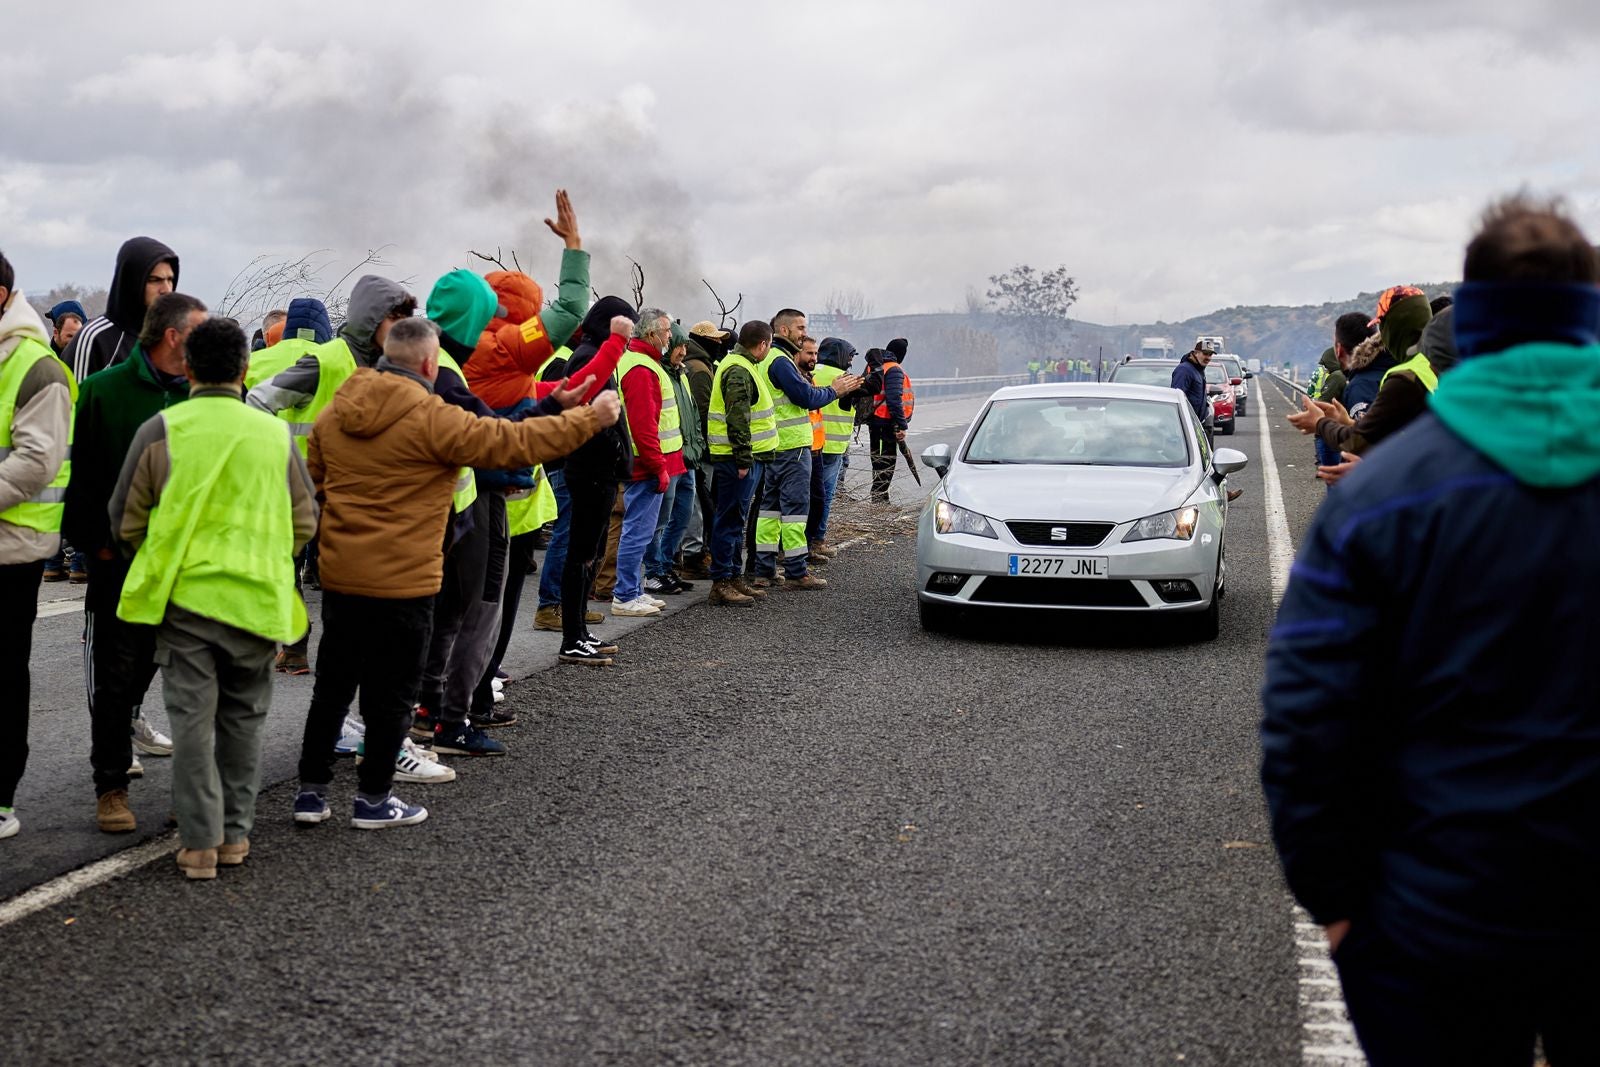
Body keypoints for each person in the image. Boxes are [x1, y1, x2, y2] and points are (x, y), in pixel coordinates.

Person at [1261, 195, 1600, 1066]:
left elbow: (1306, 716)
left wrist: (1338, 905)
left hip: (1431, 917)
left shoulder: (1381, 496)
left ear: (1471, 319)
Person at [293, 316, 617, 829]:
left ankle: (310, 795)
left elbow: (314, 484)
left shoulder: (338, 412)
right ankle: (373, 800)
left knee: (333, 685)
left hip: (343, 572)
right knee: (391, 691)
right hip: (406, 578)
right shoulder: (431, 417)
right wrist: (587, 419)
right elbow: (511, 443)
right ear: (427, 362)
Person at [109, 318, 316, 878]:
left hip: (185, 603)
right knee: (244, 720)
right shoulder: (272, 436)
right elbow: (304, 521)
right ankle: (235, 837)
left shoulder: (162, 430)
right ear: (245, 370)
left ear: (188, 369)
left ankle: (198, 844)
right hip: (255, 601)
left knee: (192, 722)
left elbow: (125, 520)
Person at [62, 291, 205, 832]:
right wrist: (95, 543)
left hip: (188, 570)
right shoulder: (103, 391)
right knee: (115, 679)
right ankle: (111, 788)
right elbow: (80, 477)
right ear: (173, 336)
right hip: (120, 564)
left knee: (190, 682)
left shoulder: (203, 397)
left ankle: (191, 796)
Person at [0, 252, 75, 840]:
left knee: (3, 673)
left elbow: (34, 463)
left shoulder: (36, 367)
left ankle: (1, 796)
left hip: (13, 549)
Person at [554, 298, 638, 663]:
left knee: (590, 553)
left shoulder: (595, 354)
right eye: (626, 329)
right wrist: (618, 451)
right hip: (590, 470)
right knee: (582, 555)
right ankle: (572, 637)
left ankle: (580, 632)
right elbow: (590, 416)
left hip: (597, 470)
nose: (629, 339)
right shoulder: (589, 356)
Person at [611, 309, 685, 615]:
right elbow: (643, 426)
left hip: (652, 462)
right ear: (651, 333)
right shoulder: (642, 369)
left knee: (641, 529)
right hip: (648, 465)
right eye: (666, 331)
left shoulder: (644, 363)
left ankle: (634, 589)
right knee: (638, 530)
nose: (670, 336)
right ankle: (625, 594)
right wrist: (658, 467)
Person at [706, 319, 780, 606]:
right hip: (737, 460)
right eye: (769, 344)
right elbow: (738, 418)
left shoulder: (740, 364)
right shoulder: (738, 369)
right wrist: (743, 458)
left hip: (744, 458)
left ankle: (734, 577)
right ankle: (722, 582)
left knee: (736, 521)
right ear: (762, 344)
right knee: (729, 520)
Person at [61, 236, 178, 382]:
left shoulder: (172, 338)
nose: (166, 289)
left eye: (170, 280)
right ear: (132, 282)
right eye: (155, 280)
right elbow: (74, 402)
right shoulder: (94, 339)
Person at [644, 323, 705, 595]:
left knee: (681, 516)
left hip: (686, 458)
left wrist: (698, 446)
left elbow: (691, 415)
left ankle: (665, 565)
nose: (682, 351)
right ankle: (654, 571)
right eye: (679, 345)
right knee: (660, 520)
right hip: (669, 458)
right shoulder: (662, 375)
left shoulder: (682, 375)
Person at [676, 322, 725, 579]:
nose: (719, 345)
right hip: (700, 449)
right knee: (696, 503)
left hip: (696, 447)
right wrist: (707, 447)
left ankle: (689, 553)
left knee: (695, 502)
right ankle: (692, 557)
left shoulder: (696, 364)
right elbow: (703, 414)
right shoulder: (700, 370)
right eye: (715, 341)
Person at [808, 337, 858, 560]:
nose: (850, 362)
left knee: (802, 497)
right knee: (824, 497)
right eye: (849, 356)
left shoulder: (809, 373)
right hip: (833, 447)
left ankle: (797, 543)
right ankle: (817, 540)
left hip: (808, 443)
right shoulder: (846, 379)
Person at [869, 338, 914, 503]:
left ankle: (879, 496)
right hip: (885, 421)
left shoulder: (875, 365)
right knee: (887, 460)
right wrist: (902, 425)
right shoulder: (893, 369)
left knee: (877, 459)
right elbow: (894, 399)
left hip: (874, 421)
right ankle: (879, 498)